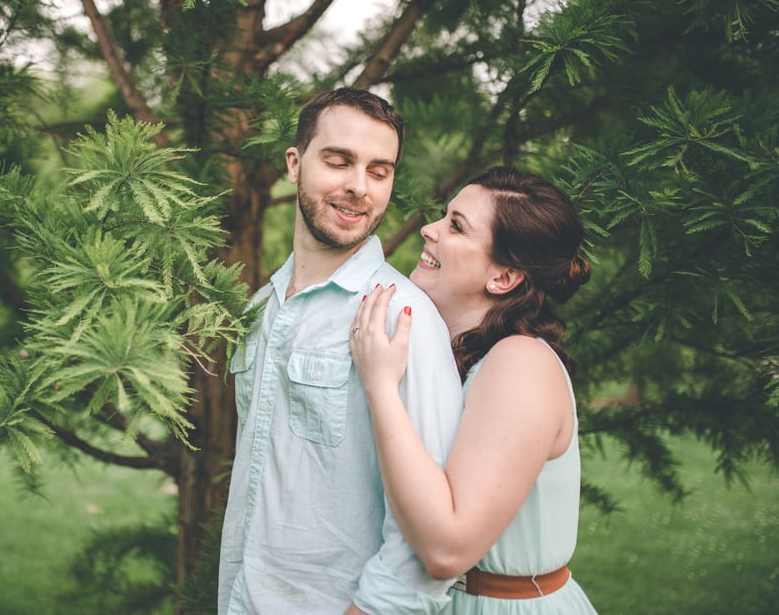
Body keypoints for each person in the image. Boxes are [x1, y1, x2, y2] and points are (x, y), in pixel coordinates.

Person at [218, 88, 465, 615]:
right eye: (339, 161)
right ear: (294, 163)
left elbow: (428, 532)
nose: (359, 187)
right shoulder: (261, 308)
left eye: (380, 171)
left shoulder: (404, 316)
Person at [349, 165, 598, 613]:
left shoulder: (520, 363)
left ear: (503, 277)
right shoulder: (454, 352)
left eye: (456, 226)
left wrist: (381, 387)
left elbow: (449, 550)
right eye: (444, 216)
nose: (429, 229)